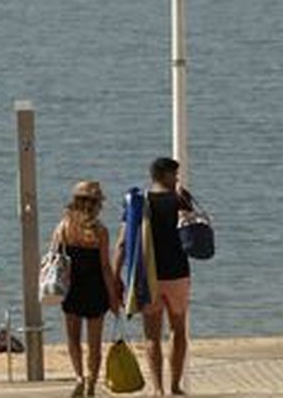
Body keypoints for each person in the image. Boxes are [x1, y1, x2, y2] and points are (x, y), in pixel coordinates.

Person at [115, 158, 194, 396]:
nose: (177, 179)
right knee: (178, 330)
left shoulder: (138, 203)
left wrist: (116, 275)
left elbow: (122, 243)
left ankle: (158, 388)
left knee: (151, 334)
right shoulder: (180, 200)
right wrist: (185, 196)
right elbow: (194, 233)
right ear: (166, 175)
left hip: (147, 277)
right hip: (178, 274)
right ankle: (175, 386)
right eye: (175, 175)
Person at [51, 181, 122, 397]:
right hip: (95, 289)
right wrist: (113, 297)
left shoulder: (63, 227)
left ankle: (79, 376)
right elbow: (105, 267)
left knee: (73, 338)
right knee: (94, 343)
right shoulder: (100, 231)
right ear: (96, 204)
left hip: (72, 288)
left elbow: (53, 258)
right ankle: (92, 381)